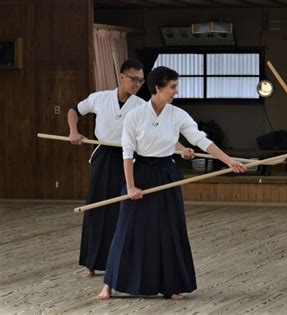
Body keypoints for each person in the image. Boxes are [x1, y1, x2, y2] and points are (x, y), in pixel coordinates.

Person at [97, 66, 247, 300]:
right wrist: (130, 186)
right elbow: (127, 152)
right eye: (172, 87)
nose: (176, 92)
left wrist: (228, 161)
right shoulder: (135, 116)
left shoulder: (178, 115)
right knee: (128, 228)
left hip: (166, 173)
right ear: (158, 88)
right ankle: (109, 284)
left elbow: (200, 140)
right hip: (140, 173)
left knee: (169, 229)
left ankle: (171, 285)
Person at [68, 59, 146, 278]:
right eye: (133, 79)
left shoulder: (141, 106)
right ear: (121, 77)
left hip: (128, 156)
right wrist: (73, 132)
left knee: (124, 209)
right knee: (96, 207)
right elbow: (74, 110)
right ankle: (91, 263)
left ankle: (123, 260)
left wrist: (181, 148)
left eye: (140, 81)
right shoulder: (100, 98)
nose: (137, 84)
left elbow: (157, 131)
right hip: (103, 156)